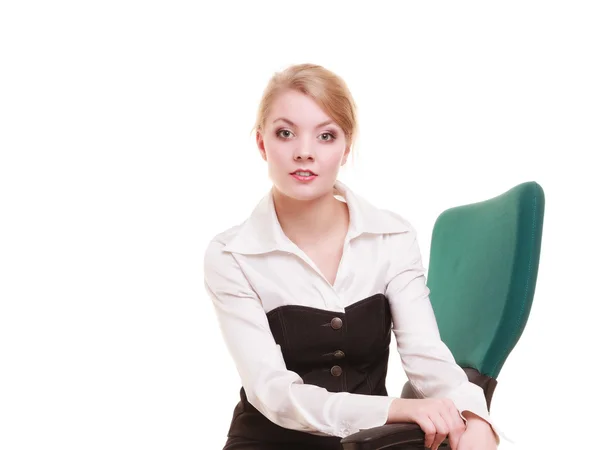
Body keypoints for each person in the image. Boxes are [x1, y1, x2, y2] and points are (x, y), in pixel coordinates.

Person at [203, 63, 502, 450]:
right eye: (285, 133)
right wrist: (395, 408)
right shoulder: (232, 255)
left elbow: (427, 358)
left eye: (326, 135)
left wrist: (474, 417)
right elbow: (272, 392)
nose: (304, 153)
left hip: (370, 444)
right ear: (262, 144)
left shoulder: (391, 237)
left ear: (346, 148)